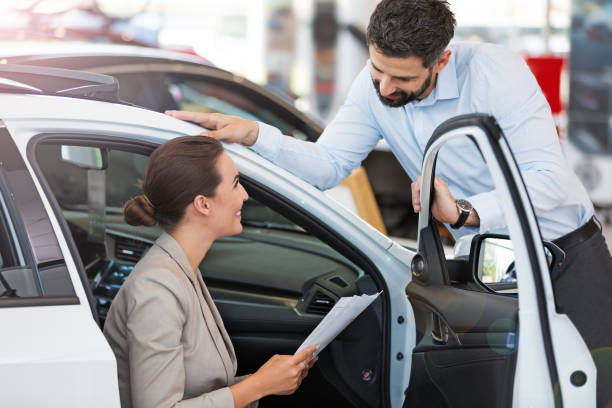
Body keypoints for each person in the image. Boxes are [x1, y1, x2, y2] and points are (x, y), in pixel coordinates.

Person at [166, 0, 612, 405]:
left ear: (442, 60)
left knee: (591, 387)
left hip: (564, 256)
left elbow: (548, 179)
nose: (385, 86)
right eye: (378, 69)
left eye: (402, 78)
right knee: (505, 390)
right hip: (486, 265)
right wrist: (255, 134)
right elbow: (328, 164)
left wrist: (464, 211)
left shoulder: (497, 73)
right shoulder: (374, 81)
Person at [103, 136, 317, 408]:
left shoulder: (180, 268)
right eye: (236, 184)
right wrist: (258, 385)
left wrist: (266, 382)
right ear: (203, 204)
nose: (245, 195)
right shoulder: (156, 290)